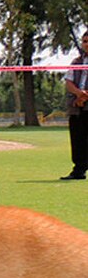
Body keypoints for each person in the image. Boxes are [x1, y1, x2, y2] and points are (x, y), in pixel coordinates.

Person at [61, 32, 88, 180]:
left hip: (83, 101)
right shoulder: (76, 62)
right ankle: (79, 170)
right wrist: (79, 94)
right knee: (77, 139)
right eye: (84, 41)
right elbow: (69, 81)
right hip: (76, 107)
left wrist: (85, 95)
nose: (86, 44)